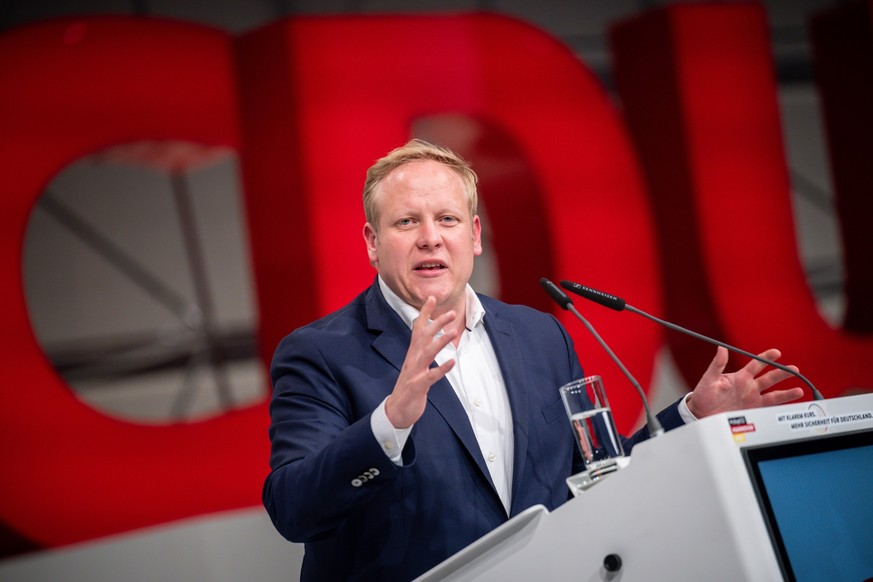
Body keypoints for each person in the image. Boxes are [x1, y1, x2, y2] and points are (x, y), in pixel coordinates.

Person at [263, 139, 803, 581]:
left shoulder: (538, 335)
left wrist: (687, 416)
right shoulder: (320, 353)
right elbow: (293, 509)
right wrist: (390, 422)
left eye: (448, 219)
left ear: (474, 235)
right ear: (372, 242)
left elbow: (596, 478)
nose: (430, 238)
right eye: (406, 223)